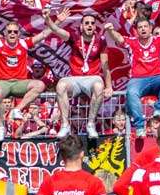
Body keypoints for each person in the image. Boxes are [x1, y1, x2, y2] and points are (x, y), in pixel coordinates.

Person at [104, 18, 160, 137]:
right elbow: (119, 38)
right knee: (131, 92)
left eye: (145, 26)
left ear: (150, 28)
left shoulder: (159, 39)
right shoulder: (132, 42)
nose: (143, 29)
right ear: (136, 30)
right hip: (138, 79)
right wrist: (111, 31)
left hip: (158, 77)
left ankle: (158, 109)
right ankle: (139, 126)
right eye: (140, 27)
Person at [47, 12, 112, 140]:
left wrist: (109, 86)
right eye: (86, 23)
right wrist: (50, 19)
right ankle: (65, 125)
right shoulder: (74, 37)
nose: (89, 25)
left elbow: (105, 65)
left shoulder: (101, 40)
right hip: (75, 78)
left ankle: (91, 124)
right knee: (61, 85)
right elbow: (54, 29)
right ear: (81, 26)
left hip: (92, 78)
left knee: (99, 86)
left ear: (95, 27)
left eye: (92, 23)